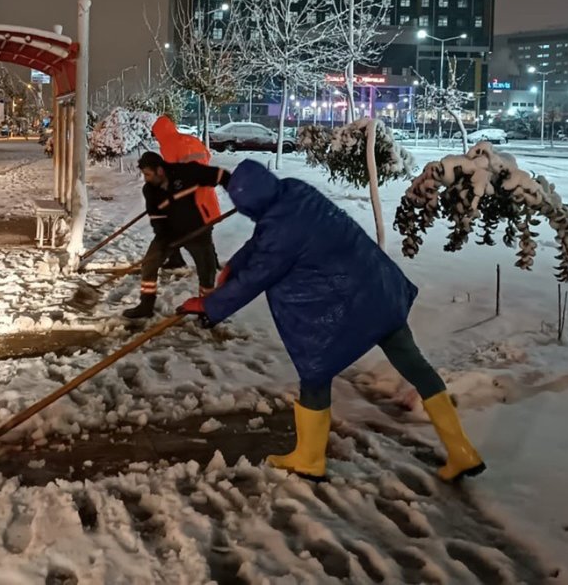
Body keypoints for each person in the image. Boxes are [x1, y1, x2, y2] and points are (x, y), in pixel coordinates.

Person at [179, 159, 485, 483]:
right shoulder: (295, 191)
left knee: (316, 369)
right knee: (413, 363)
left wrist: (208, 305)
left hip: (347, 304)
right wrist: (233, 265)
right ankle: (462, 450)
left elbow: (257, 275)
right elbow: (262, 241)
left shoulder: (281, 231)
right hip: (377, 287)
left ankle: (309, 458)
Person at [123, 151, 228, 320]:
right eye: (144, 175)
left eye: (148, 174)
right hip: (168, 233)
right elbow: (156, 217)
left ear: (160, 170)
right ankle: (146, 305)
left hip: (197, 230)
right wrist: (166, 240)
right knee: (149, 263)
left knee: (207, 270)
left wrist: (237, 190)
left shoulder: (185, 173)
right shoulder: (150, 189)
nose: (146, 179)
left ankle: (206, 309)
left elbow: (219, 175)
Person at [151, 116, 221, 270]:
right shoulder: (190, 139)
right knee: (203, 229)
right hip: (204, 189)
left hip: (189, 195)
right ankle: (208, 262)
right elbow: (206, 156)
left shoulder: (169, 144)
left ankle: (203, 264)